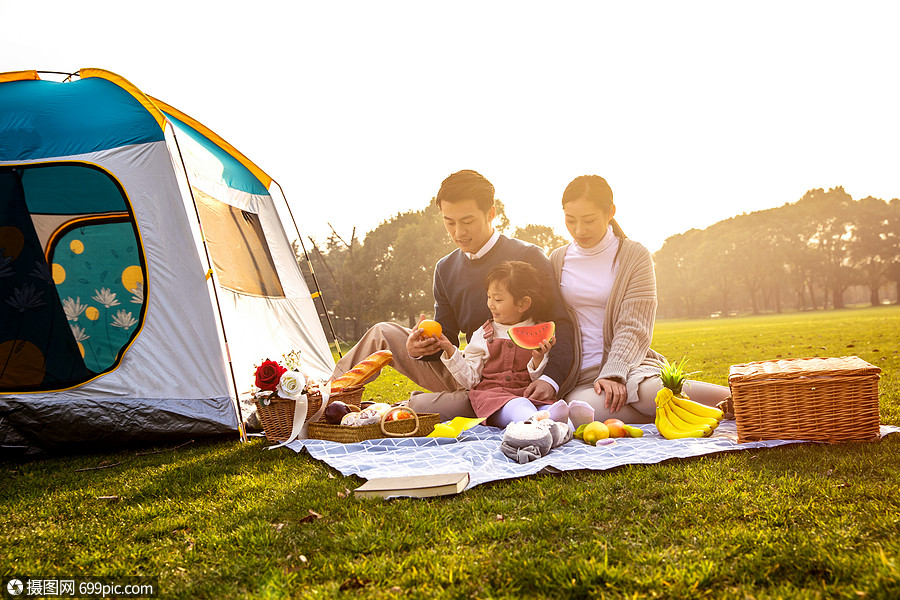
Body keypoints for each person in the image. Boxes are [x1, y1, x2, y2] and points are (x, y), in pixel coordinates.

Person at [331, 169, 575, 419]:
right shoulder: (445, 268)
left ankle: (419, 407)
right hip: (469, 370)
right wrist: (421, 347)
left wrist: (550, 379)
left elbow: (560, 324)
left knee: (424, 407)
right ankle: (322, 403)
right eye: (449, 222)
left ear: (491, 213)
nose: (458, 232)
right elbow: (446, 334)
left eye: (467, 221)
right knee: (382, 332)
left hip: (524, 377)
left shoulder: (529, 256)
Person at [549, 175, 730, 425]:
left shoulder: (634, 256)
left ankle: (746, 402)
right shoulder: (557, 259)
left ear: (610, 212)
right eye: (571, 220)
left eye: (589, 220)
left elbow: (635, 325)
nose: (579, 230)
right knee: (582, 414)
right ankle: (677, 416)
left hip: (632, 365)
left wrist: (615, 372)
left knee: (655, 394)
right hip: (581, 379)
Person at [428, 260, 570, 427]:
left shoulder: (539, 330)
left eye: (498, 299)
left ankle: (563, 423)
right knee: (517, 406)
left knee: (546, 407)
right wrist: (450, 351)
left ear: (523, 304)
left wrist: (538, 359)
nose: (490, 305)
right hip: (493, 399)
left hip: (529, 395)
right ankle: (545, 422)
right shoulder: (483, 333)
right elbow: (471, 380)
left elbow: (538, 382)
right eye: (489, 297)